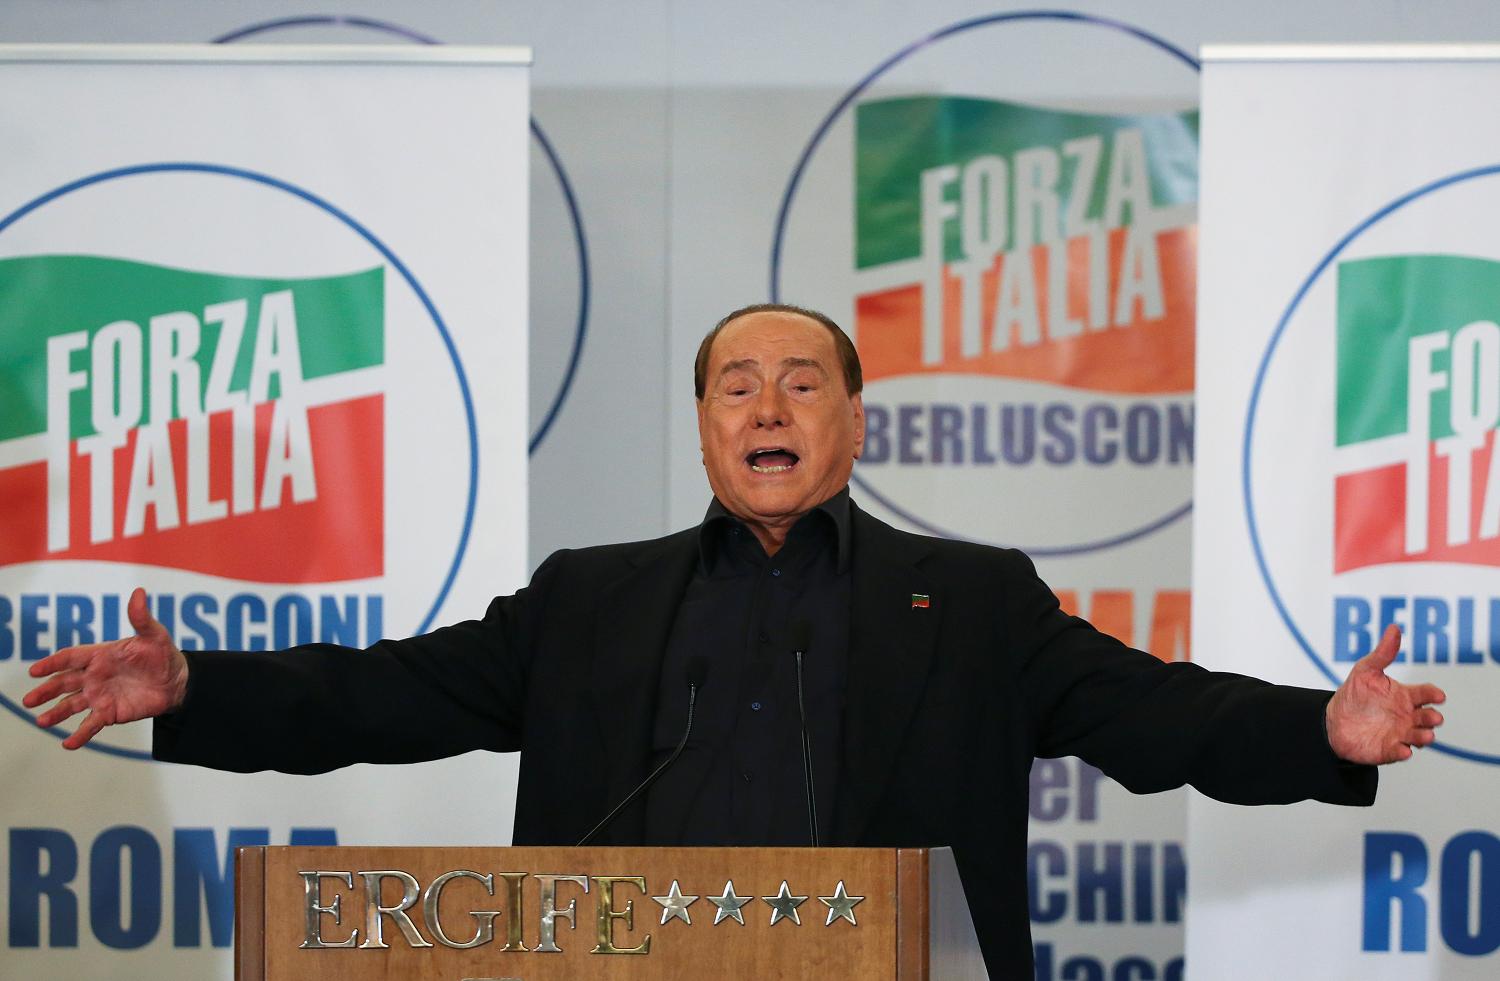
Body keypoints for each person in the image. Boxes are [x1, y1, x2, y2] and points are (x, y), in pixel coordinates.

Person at [23, 303, 1447, 976]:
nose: (768, 408)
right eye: (736, 387)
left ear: (853, 422)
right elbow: (383, 695)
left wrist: (1319, 727)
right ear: (705, 428)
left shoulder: (970, 600)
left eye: (802, 382)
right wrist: (195, 687)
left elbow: (1154, 712)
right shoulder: (590, 598)